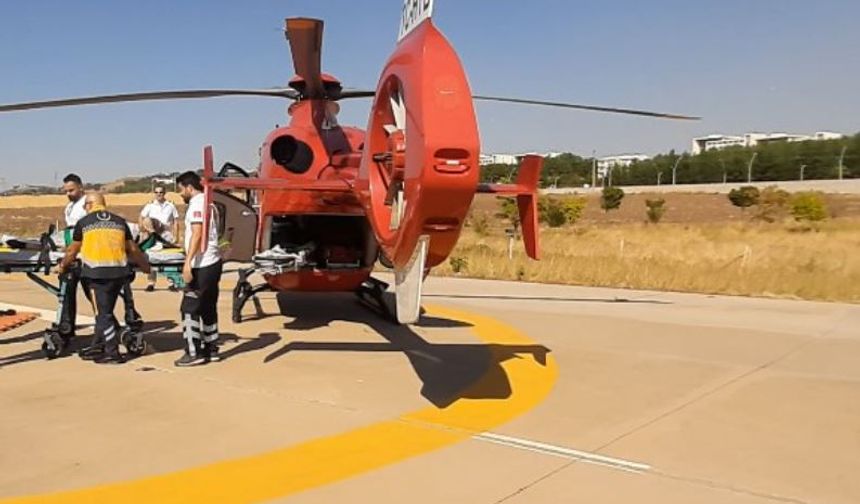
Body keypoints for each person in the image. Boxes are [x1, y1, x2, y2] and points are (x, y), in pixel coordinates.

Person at [58, 192, 151, 364]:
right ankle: (98, 345)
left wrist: (63, 266)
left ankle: (112, 352)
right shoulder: (119, 221)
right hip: (118, 275)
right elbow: (133, 249)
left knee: (103, 314)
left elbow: (72, 250)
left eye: (86, 205)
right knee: (106, 311)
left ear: (89, 205)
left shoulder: (84, 223)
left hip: (96, 275)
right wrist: (146, 267)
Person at [175, 171, 222, 367]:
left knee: (189, 307)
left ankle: (193, 352)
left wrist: (188, 262)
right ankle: (211, 348)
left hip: (202, 264)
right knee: (208, 307)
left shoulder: (196, 204)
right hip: (213, 262)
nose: (180, 194)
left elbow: (197, 233)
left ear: (188, 187)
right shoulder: (211, 203)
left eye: (180, 190)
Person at [139, 185, 179, 291]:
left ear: (164, 193)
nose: (158, 194)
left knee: (169, 259)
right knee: (151, 258)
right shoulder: (150, 205)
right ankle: (151, 283)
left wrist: (176, 235)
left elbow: (175, 221)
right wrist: (143, 231)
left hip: (166, 233)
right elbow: (142, 217)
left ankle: (171, 283)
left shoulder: (170, 205)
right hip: (153, 234)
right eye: (156, 192)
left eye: (160, 192)